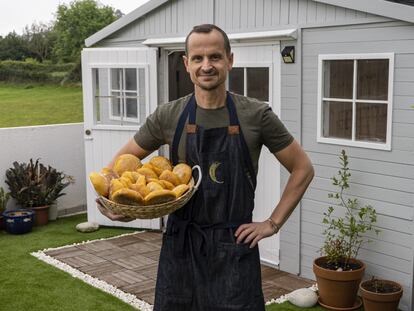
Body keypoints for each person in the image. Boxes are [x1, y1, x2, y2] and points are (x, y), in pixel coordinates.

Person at [98, 24, 314, 311]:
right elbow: (114, 171)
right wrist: (121, 207)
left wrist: (272, 224)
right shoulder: (168, 116)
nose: (206, 66)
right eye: (198, 58)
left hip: (234, 248)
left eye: (215, 57)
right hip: (181, 245)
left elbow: (303, 168)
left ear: (229, 60)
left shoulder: (256, 115)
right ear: (187, 64)